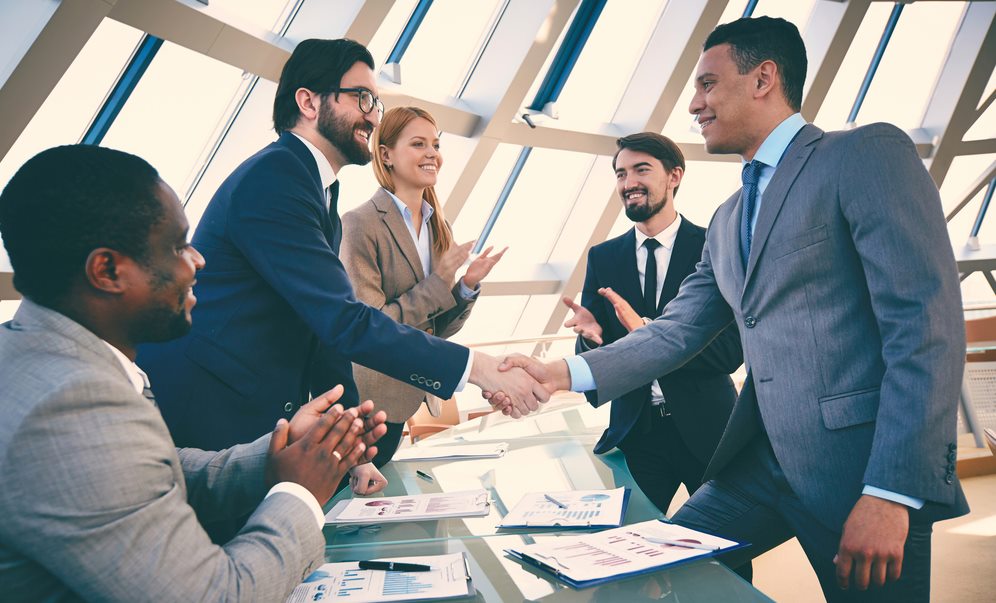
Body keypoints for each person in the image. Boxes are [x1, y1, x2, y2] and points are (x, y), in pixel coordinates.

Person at [493, 16, 968, 601]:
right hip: (760, 468)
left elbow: (925, 329)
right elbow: (674, 332)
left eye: (707, 84)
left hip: (859, 473)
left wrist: (891, 493)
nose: (693, 103)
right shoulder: (727, 218)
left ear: (764, 77)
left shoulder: (863, 156)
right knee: (643, 569)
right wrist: (560, 373)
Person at [0, 144, 387, 601]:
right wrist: (300, 492)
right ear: (106, 270)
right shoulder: (69, 404)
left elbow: (145, 475)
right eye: (178, 245)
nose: (198, 259)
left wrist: (275, 459)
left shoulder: (41, 356)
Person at [136, 39, 544, 471]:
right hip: (209, 405)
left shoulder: (317, 189)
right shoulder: (277, 178)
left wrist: (354, 445)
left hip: (242, 404)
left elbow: (323, 333)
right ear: (309, 102)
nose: (373, 113)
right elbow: (343, 320)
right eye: (362, 97)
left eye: (377, 102)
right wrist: (476, 367)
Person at [561, 131, 741, 514]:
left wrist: (648, 334)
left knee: (729, 553)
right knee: (627, 544)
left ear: (674, 175)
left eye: (641, 169)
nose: (629, 183)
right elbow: (604, 349)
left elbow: (731, 352)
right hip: (636, 432)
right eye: (620, 173)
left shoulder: (714, 246)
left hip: (709, 427)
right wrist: (591, 341)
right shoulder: (603, 258)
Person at [332, 106, 506, 483]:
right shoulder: (359, 224)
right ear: (386, 154)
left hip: (407, 398)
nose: (432, 153)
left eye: (436, 144)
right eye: (418, 144)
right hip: (367, 409)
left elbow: (434, 329)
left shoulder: (436, 227)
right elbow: (370, 328)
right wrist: (439, 281)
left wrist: (464, 287)